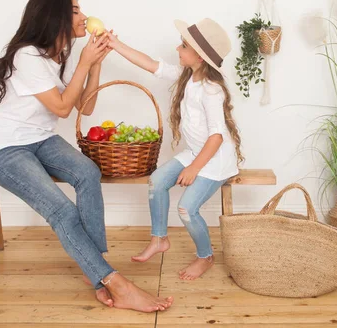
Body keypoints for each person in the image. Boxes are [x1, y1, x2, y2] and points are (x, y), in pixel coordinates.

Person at [0, 0, 173, 312]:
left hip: (40, 140)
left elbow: (86, 105)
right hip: (5, 148)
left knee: (87, 171)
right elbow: (62, 108)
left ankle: (94, 269)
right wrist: (85, 59)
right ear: (54, 17)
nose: (84, 17)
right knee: (62, 212)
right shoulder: (27, 55)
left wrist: (95, 63)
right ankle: (113, 281)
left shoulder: (63, 56)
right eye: (76, 11)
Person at [104, 18, 244, 280]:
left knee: (187, 209)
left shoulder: (212, 91)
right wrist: (114, 44)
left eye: (183, 46)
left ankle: (206, 256)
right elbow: (150, 64)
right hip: (196, 152)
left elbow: (216, 138)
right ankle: (159, 240)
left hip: (215, 160)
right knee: (157, 181)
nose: (177, 49)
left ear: (199, 57)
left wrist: (193, 168)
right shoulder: (187, 77)